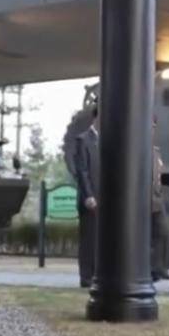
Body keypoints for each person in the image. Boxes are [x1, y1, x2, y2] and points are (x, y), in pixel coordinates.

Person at [74, 110, 100, 288]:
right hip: (90, 199)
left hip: (105, 197)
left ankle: (98, 275)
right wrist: (88, 195)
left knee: (101, 239)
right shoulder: (83, 140)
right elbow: (82, 171)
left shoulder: (107, 140)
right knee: (89, 240)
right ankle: (86, 277)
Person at [151, 119, 169, 282]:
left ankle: (159, 267)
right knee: (146, 236)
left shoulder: (155, 151)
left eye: (153, 127)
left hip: (157, 198)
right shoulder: (137, 149)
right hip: (143, 199)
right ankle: (151, 269)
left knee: (165, 231)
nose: (151, 130)